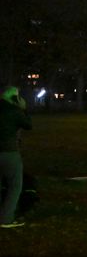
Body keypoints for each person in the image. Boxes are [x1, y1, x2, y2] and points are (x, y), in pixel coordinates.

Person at [0, 86, 32, 229]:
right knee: (15, 185)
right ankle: (6, 218)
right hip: (9, 152)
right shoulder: (14, 111)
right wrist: (23, 108)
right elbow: (28, 125)